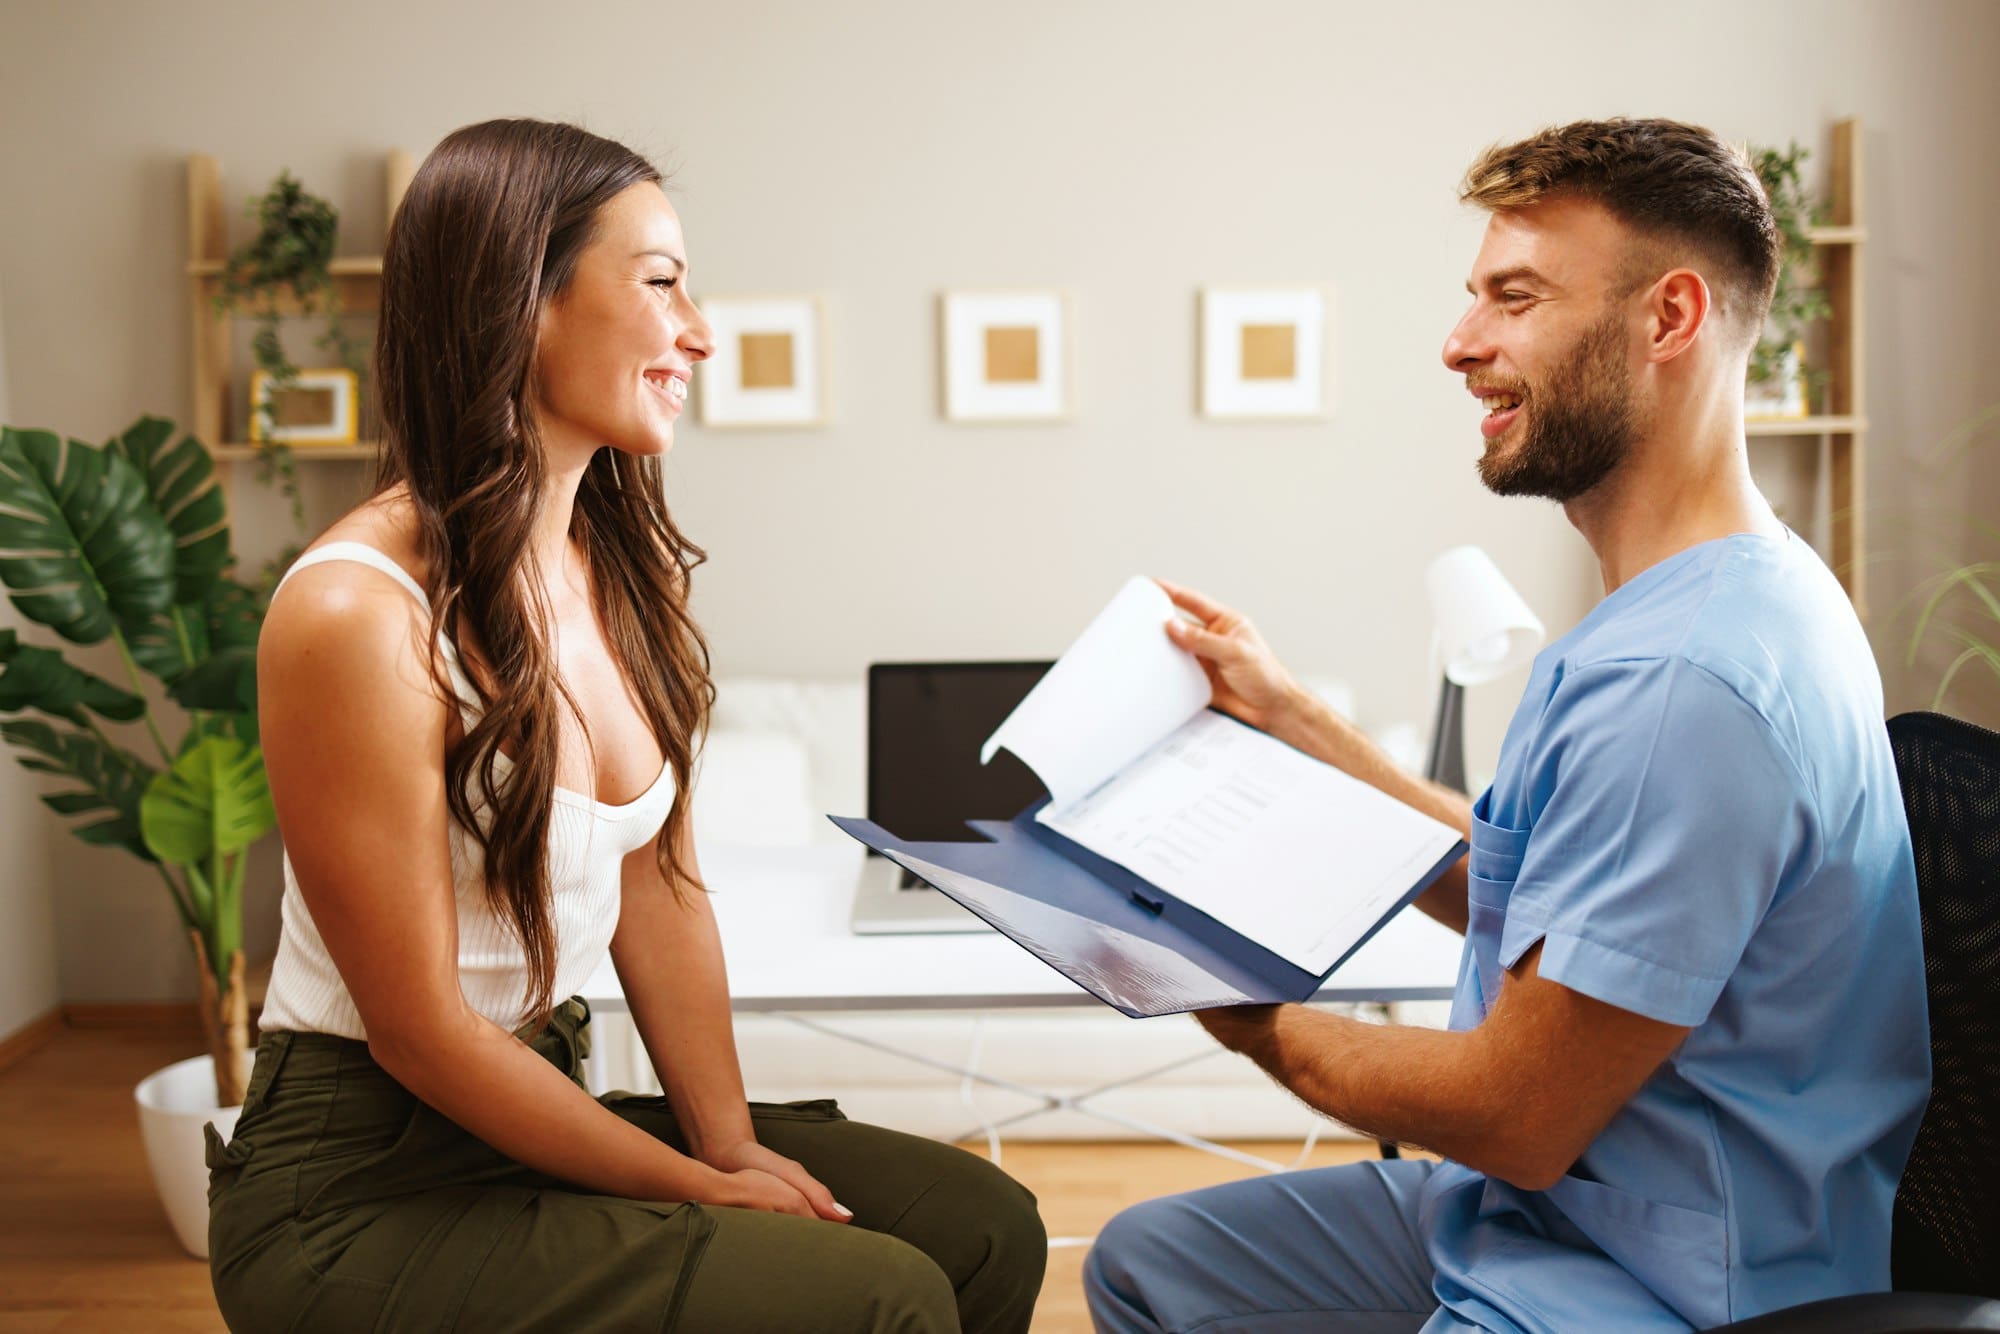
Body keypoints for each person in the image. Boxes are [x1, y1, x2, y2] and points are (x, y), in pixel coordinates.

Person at [1085, 118, 1928, 1332]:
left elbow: (1513, 1113)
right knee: (1149, 1263)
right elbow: (1526, 884)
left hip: (1660, 1276)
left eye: (1512, 298)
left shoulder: (1690, 678)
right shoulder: (1702, 600)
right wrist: (1288, 713)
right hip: (1546, 1212)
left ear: (1669, 318)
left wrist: (1229, 1001)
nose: (1457, 342)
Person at [207, 118, 1045, 1334]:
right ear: (520, 304)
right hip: (359, 1182)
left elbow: (659, 886)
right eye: (661, 285)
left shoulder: (611, 566)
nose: (697, 332)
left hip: (534, 1104)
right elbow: (422, 1034)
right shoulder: (354, 613)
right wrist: (702, 1189)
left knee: (981, 1226)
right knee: (879, 1294)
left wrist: (731, 1141)